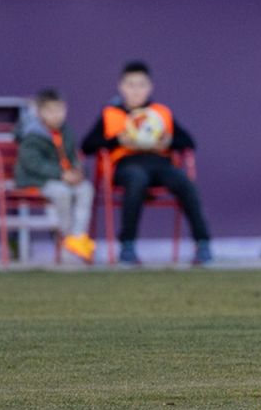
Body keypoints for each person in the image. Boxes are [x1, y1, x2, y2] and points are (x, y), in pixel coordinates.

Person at [81, 60, 213, 266]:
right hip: (126, 165)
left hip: (159, 163)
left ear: (150, 87)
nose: (136, 91)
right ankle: (128, 246)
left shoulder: (160, 113)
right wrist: (118, 140)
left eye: (141, 85)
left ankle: (202, 243)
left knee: (184, 182)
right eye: (131, 85)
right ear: (121, 87)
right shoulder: (111, 113)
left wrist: (168, 141)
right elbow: (87, 145)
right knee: (136, 179)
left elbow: (188, 141)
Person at [13, 88, 96, 262]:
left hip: (63, 179)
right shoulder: (32, 134)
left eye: (59, 109)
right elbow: (33, 164)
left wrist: (77, 172)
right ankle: (67, 241)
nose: (56, 115)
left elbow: (73, 158)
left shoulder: (66, 132)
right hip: (38, 180)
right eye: (50, 111)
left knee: (86, 189)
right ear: (39, 112)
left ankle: (78, 236)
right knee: (62, 193)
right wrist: (61, 175)